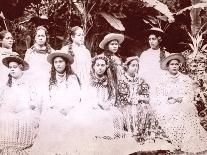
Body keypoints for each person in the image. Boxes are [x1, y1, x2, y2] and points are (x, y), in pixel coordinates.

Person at [78, 55, 138, 155]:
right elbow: (84, 96)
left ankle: (108, 145)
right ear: (93, 66)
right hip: (92, 106)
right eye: (97, 65)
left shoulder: (109, 81)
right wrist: (97, 104)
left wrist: (108, 104)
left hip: (106, 107)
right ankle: (95, 145)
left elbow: (113, 97)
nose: (100, 67)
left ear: (106, 67)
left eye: (102, 65)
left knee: (117, 116)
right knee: (96, 117)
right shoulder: (88, 80)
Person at [152, 53, 207, 154]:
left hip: (183, 103)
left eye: (176, 64)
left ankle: (186, 141)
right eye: (172, 64)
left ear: (179, 66)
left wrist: (180, 99)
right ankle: (174, 142)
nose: (174, 66)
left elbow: (190, 94)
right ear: (168, 66)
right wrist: (168, 99)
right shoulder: (162, 79)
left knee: (186, 109)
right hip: (167, 104)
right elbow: (158, 95)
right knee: (168, 111)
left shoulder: (185, 79)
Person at [115, 56, 171, 151]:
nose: (135, 68)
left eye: (137, 66)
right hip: (125, 105)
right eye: (133, 65)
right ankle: (133, 135)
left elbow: (145, 94)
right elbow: (122, 96)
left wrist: (140, 99)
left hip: (139, 103)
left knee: (148, 109)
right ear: (127, 67)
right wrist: (134, 100)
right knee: (132, 110)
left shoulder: (141, 80)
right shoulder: (121, 80)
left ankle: (147, 135)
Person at [30, 49, 81, 155]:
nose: (58, 64)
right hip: (53, 109)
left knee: (73, 120)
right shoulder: (49, 79)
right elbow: (46, 97)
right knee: (51, 120)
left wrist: (67, 108)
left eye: (61, 61)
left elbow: (75, 97)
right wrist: (55, 107)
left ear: (66, 63)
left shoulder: (72, 78)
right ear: (53, 64)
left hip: (68, 109)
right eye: (56, 62)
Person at [0, 54, 40, 154]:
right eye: (10, 68)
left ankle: (21, 147)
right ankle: (7, 148)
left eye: (15, 67)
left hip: (26, 110)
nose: (12, 70)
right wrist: (8, 108)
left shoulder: (29, 82)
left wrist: (24, 107)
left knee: (26, 117)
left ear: (21, 67)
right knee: (4, 117)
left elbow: (34, 100)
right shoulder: (7, 84)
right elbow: (3, 100)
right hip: (9, 110)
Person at [24, 26, 54, 96]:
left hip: (47, 81)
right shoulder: (29, 52)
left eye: (43, 36)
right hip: (33, 82)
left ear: (46, 37)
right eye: (38, 36)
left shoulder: (51, 52)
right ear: (35, 37)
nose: (40, 38)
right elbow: (25, 68)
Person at [139, 27, 169, 94]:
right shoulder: (145, 54)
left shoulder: (166, 54)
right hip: (148, 84)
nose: (151, 41)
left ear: (159, 40)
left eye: (153, 39)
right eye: (149, 39)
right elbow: (141, 72)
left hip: (162, 85)